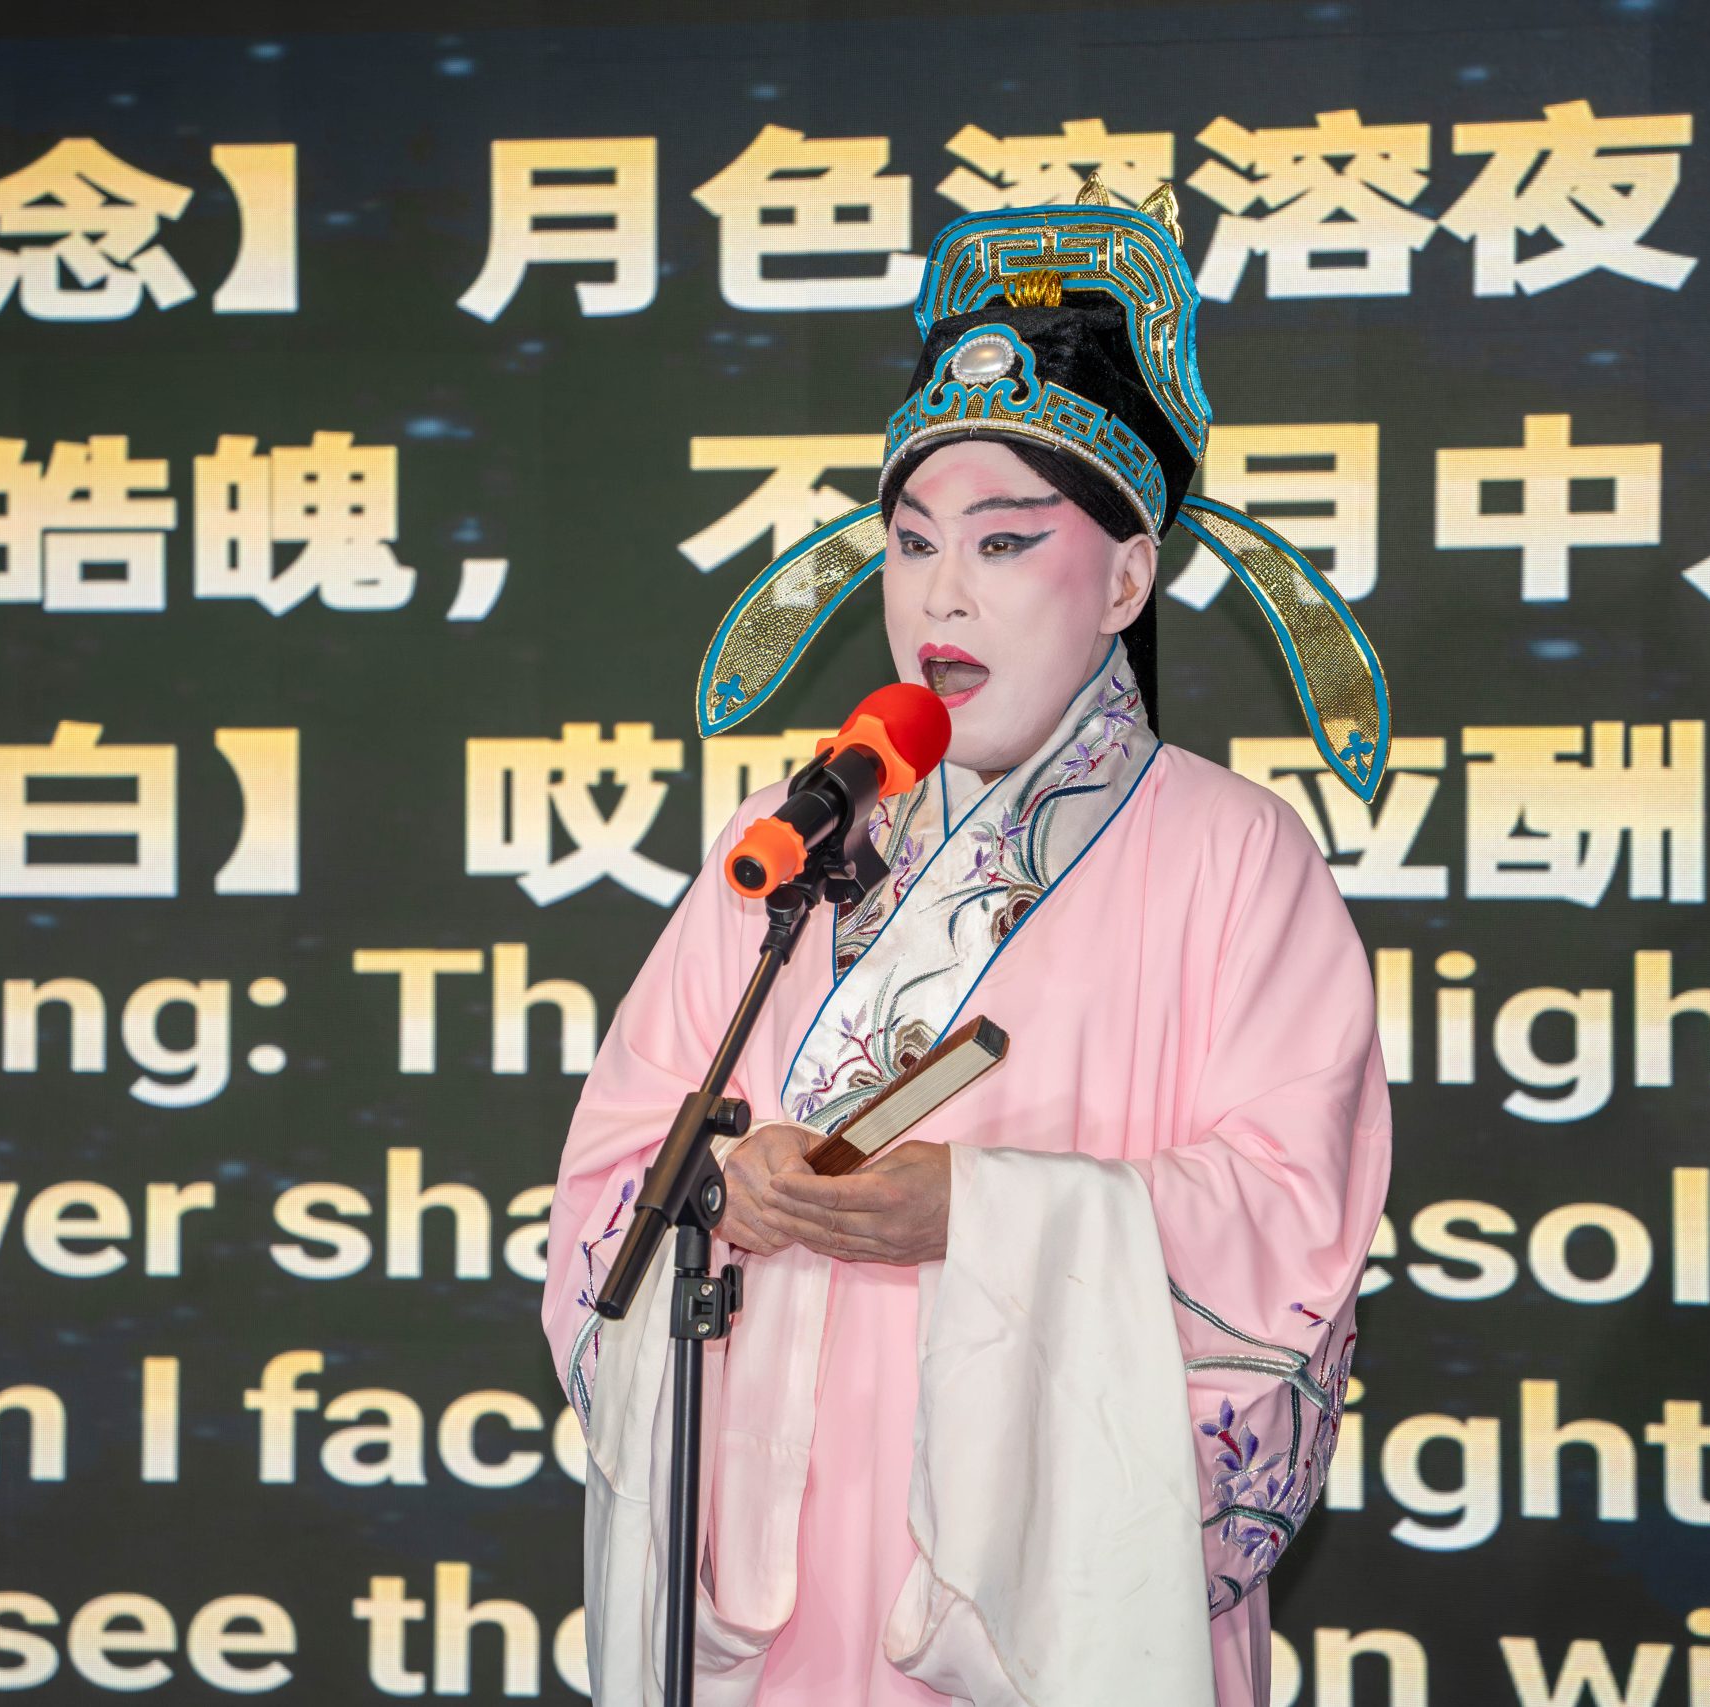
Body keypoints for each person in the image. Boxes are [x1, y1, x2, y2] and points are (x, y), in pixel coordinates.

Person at [543, 180, 1395, 1707]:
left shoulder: (1235, 852)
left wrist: (982, 1214)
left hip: (1041, 1570)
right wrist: (727, 1188)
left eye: (1005, 543)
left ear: (1124, 577)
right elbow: (617, 1163)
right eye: (912, 542)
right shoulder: (798, 834)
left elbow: (1291, 1222)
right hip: (778, 1555)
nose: (942, 594)